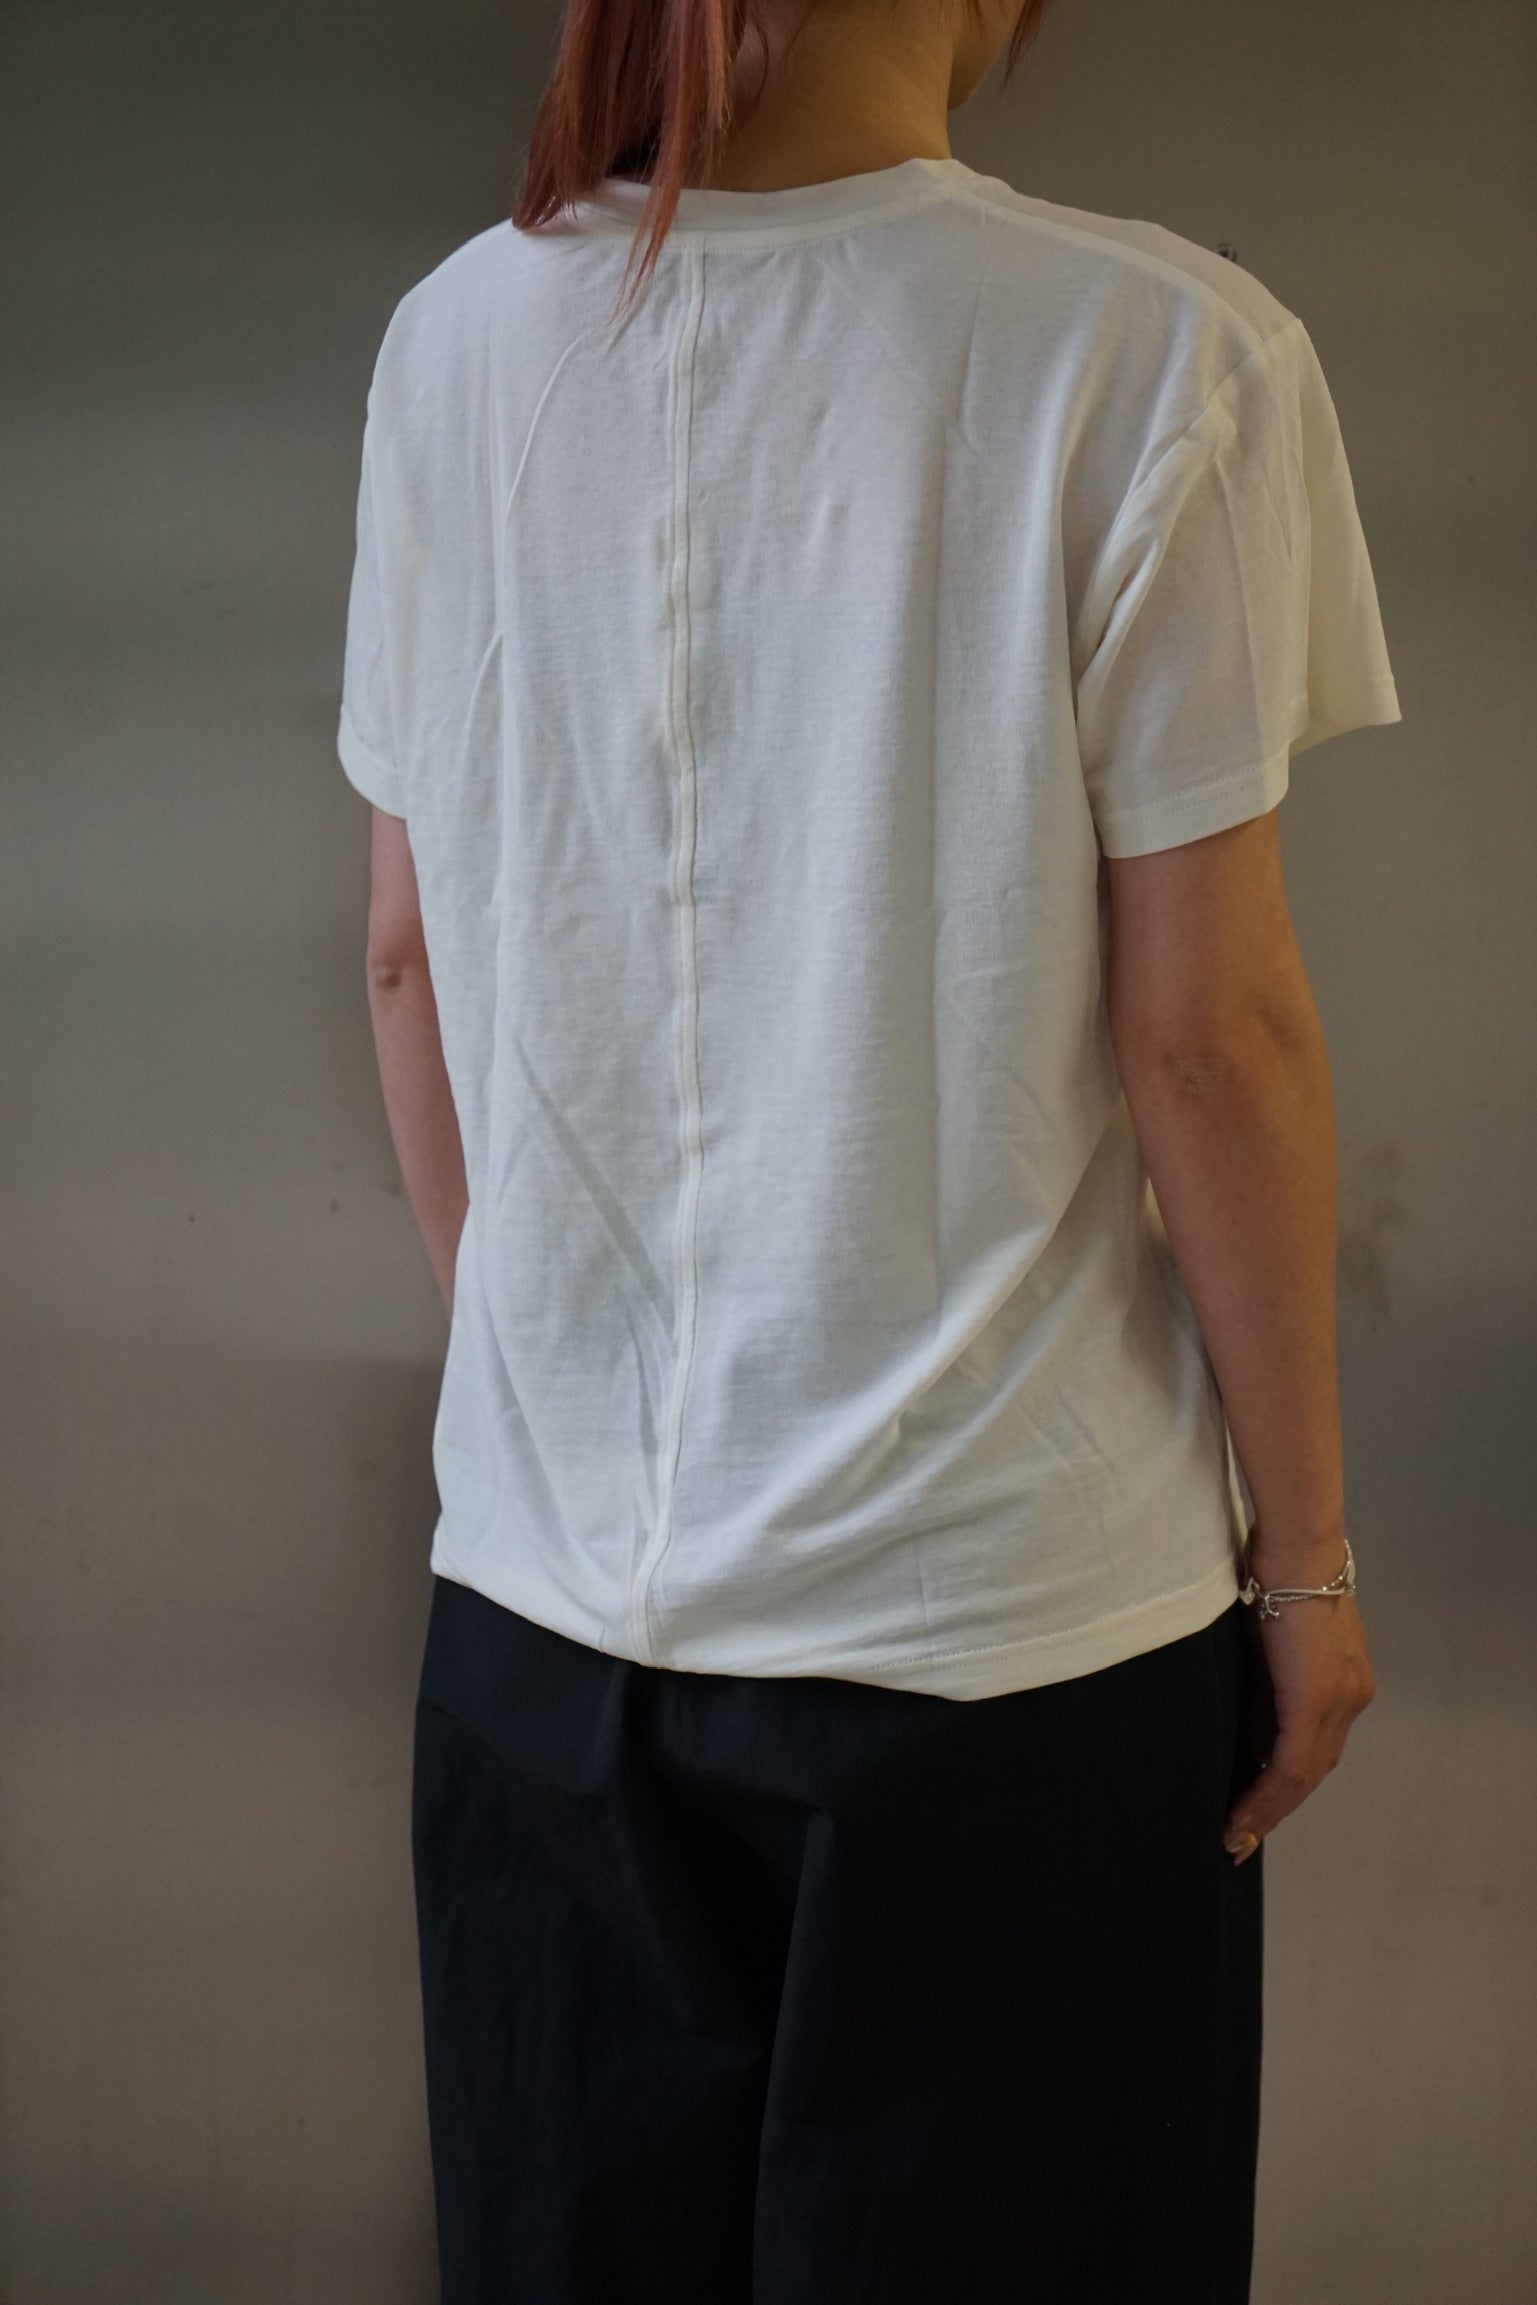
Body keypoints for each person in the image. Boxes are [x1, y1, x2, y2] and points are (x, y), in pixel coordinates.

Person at [338, 0, 1395, 2295]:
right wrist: (1302, 1565)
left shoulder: (453, 343)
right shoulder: (1155, 355)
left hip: (544, 1641)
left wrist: (549, 1387)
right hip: (1003, 1650)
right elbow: (1206, 1036)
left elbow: (407, 959)